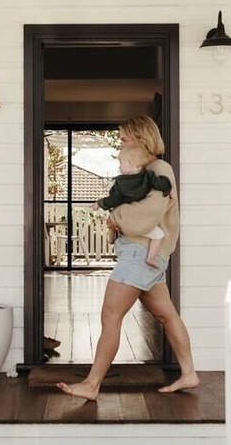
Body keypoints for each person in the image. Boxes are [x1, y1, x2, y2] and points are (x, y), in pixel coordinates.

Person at [57, 116, 200, 401]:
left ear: (140, 138)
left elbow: (146, 216)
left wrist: (115, 217)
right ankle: (189, 374)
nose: (120, 143)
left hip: (140, 254)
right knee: (166, 314)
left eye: (123, 138)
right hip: (147, 255)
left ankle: (92, 385)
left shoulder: (160, 170)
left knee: (110, 315)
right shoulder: (144, 170)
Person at [94, 144, 171, 269]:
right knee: (159, 235)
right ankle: (151, 257)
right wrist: (168, 188)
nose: (119, 167)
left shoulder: (120, 183)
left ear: (130, 163)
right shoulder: (149, 176)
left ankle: (113, 229)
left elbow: (113, 199)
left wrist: (100, 203)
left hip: (127, 222)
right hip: (143, 222)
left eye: (121, 163)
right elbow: (161, 184)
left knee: (119, 226)